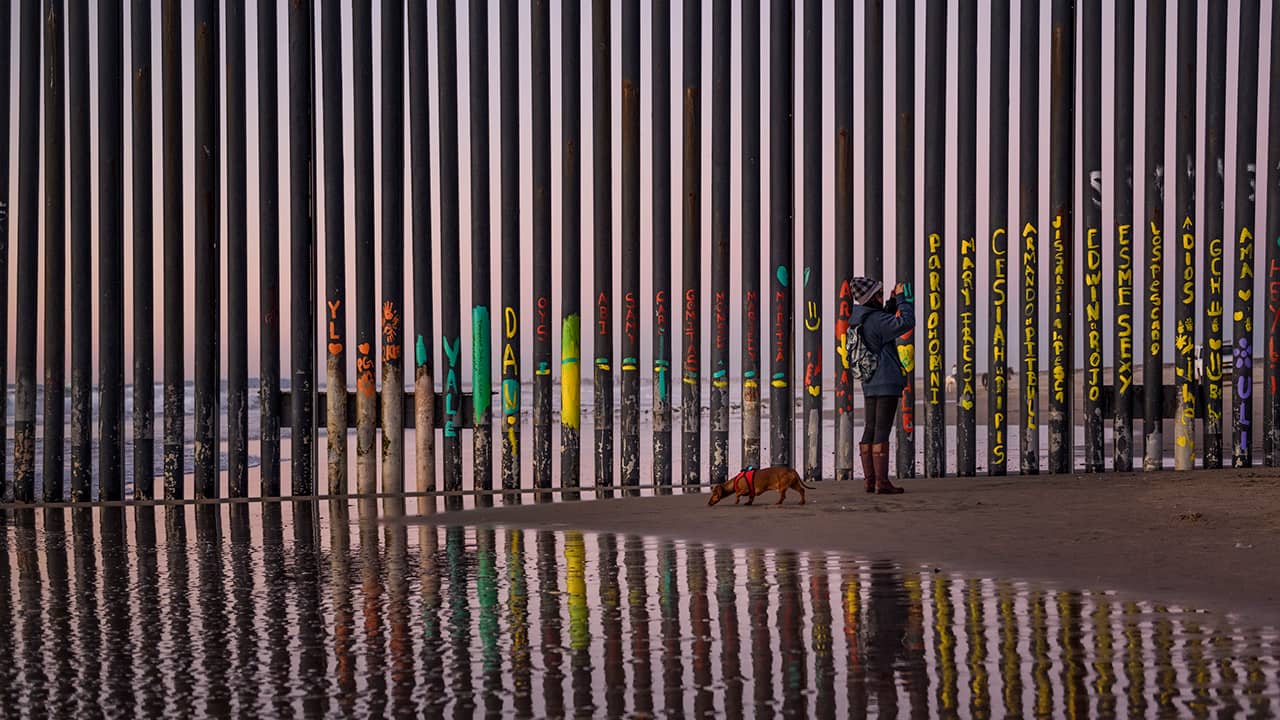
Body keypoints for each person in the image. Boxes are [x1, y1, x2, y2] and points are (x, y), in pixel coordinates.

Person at [848, 276, 915, 494]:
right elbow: (906, 322)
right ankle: (882, 482)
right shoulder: (876, 319)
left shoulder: (860, 318)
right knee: (882, 431)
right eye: (878, 294)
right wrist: (903, 300)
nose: (880, 297)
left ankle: (870, 480)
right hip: (886, 378)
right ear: (870, 298)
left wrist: (891, 302)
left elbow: (881, 322)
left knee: (870, 427)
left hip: (869, 380)